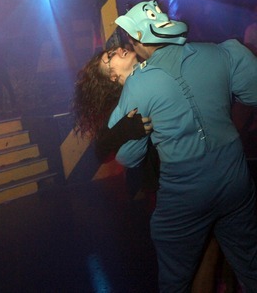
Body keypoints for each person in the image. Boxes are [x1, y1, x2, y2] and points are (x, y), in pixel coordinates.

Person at [102, 0, 257, 292]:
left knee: (175, 278)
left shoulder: (140, 83)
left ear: (139, 39)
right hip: (234, 176)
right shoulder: (221, 52)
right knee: (254, 266)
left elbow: (127, 155)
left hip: (186, 190)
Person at [72, 43, 233, 293]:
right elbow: (100, 150)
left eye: (113, 50)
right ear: (113, 77)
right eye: (109, 57)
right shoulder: (124, 105)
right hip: (173, 191)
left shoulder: (154, 74)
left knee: (220, 249)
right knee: (204, 258)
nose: (116, 50)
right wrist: (126, 128)